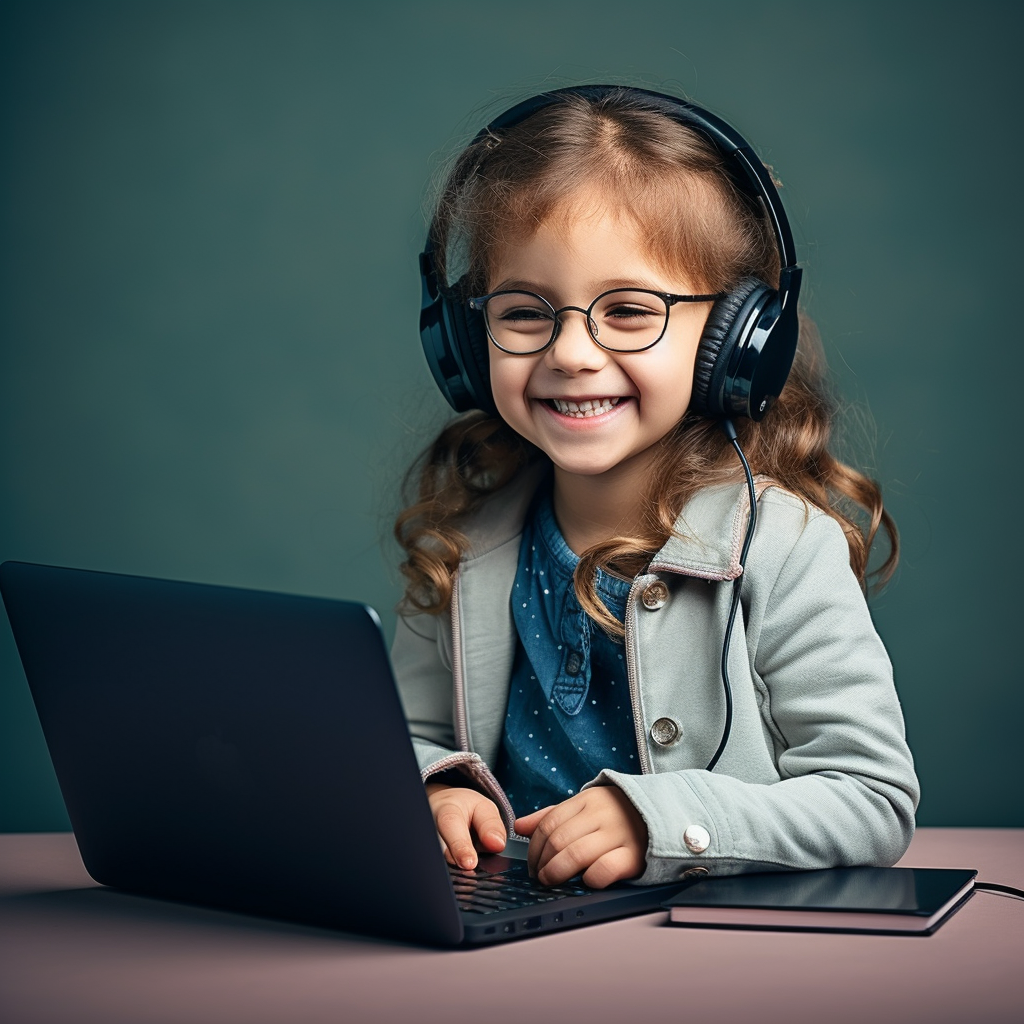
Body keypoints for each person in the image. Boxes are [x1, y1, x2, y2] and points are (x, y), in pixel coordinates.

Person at [391, 85, 919, 891]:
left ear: (738, 341)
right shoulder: (465, 547)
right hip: (511, 941)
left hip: (710, 956)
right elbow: (402, 737)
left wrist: (662, 823)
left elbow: (872, 798)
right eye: (526, 312)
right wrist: (434, 785)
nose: (571, 353)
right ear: (466, 339)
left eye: (631, 311)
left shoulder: (783, 548)